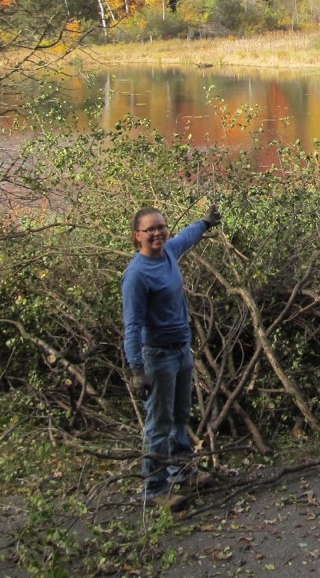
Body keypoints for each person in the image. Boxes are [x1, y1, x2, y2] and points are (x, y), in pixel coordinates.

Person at [122, 203, 221, 507]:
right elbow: (133, 326)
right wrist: (137, 369)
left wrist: (204, 223)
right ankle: (154, 489)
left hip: (181, 350)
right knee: (159, 423)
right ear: (137, 236)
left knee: (180, 416)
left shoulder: (168, 253)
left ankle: (182, 471)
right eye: (150, 229)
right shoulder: (136, 276)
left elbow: (187, 238)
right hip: (157, 356)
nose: (157, 233)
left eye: (161, 227)